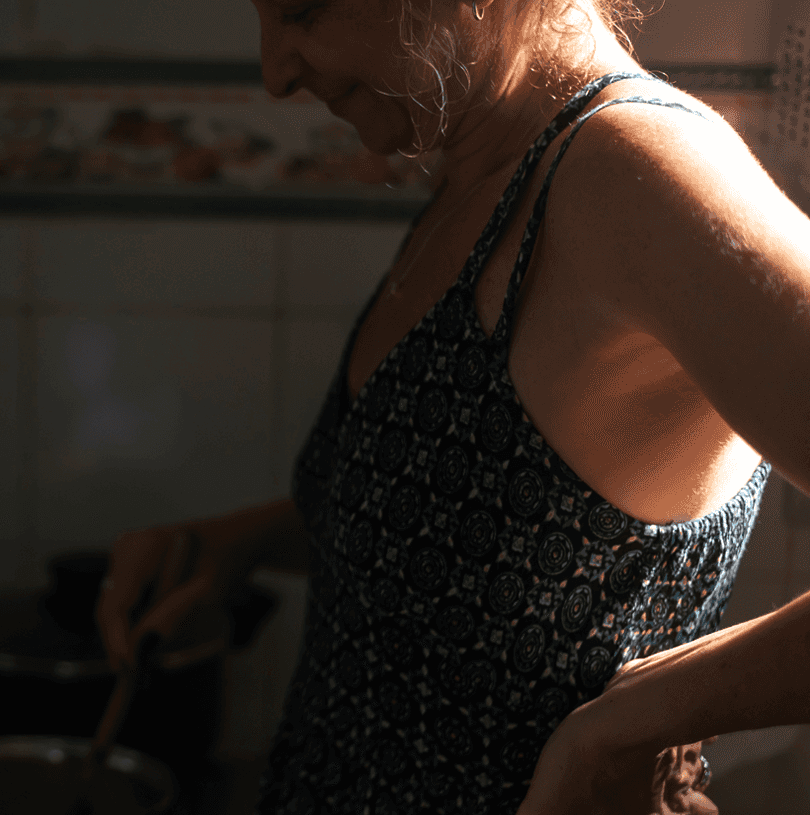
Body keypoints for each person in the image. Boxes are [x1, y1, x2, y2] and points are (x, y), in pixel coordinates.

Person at [95, 0, 810, 812]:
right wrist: (236, 545)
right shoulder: (482, 172)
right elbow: (476, 525)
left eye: (300, 10)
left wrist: (620, 726)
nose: (275, 73)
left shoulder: (631, 169)